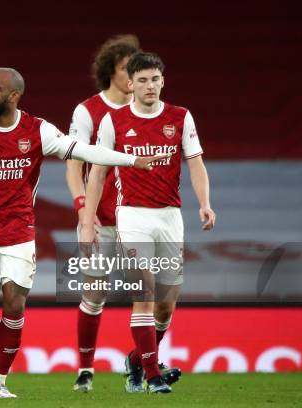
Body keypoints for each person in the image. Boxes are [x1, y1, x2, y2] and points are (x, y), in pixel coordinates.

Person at [0, 67, 167, 398]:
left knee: (15, 306)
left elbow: (84, 151)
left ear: (13, 96)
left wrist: (130, 160)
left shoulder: (37, 130)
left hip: (20, 235)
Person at [80, 52, 216, 393]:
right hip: (133, 215)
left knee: (167, 302)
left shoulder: (181, 117)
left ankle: (137, 360)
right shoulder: (113, 122)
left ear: (163, 81)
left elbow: (195, 164)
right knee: (144, 290)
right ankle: (153, 376)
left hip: (170, 215)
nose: (150, 86)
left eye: (155, 79)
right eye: (142, 80)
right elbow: (97, 173)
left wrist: (205, 204)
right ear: (130, 84)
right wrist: (87, 218)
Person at [65, 33, 140, 393]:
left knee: (153, 297)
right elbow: (73, 167)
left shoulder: (147, 110)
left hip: (138, 216)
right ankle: (85, 369)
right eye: (128, 69)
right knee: (95, 294)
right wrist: (83, 211)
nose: (133, 77)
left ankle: (140, 365)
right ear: (111, 70)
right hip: (101, 218)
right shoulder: (88, 111)